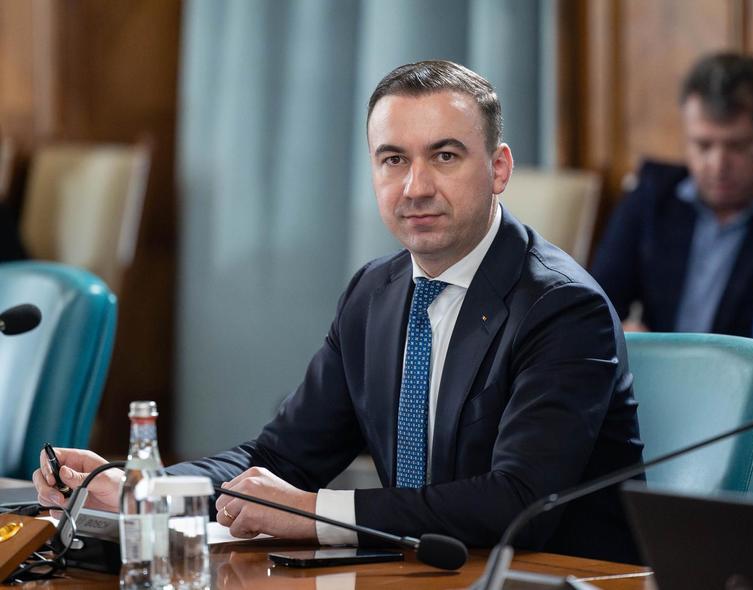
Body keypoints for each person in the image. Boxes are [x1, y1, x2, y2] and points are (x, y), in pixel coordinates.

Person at [34, 61, 643, 563]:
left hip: (554, 578)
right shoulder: (374, 292)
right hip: (424, 573)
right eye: (393, 159)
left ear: (499, 168)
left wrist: (313, 513)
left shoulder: (562, 306)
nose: (415, 187)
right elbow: (282, 457)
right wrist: (142, 488)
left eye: (445, 156)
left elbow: (518, 502)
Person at [592, 52, 753, 335]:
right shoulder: (652, 194)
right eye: (703, 145)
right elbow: (595, 302)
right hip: (655, 363)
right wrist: (619, 331)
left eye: (738, 146)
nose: (718, 165)